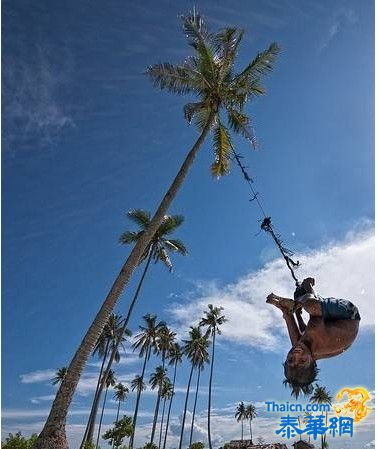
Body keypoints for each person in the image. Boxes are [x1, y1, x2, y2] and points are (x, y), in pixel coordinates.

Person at [266, 277, 360, 398]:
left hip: (331, 328)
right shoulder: (320, 341)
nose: (296, 355)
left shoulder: (302, 349)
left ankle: (301, 301)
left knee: (299, 339)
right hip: (348, 315)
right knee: (311, 306)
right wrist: (299, 302)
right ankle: (308, 285)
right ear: (313, 362)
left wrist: (287, 310)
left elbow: (289, 317)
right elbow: (314, 313)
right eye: (302, 361)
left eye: (290, 360)